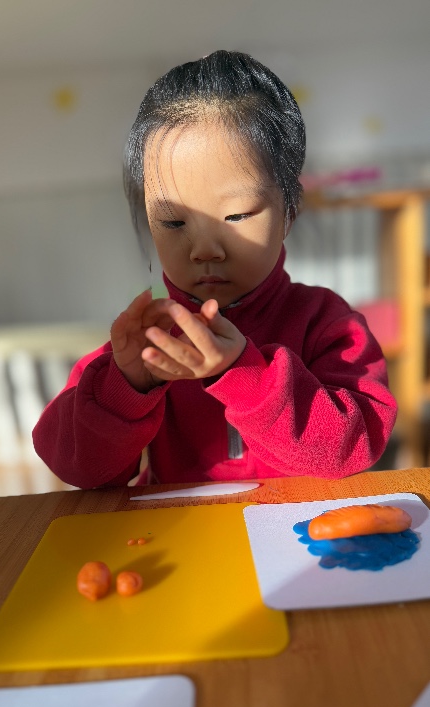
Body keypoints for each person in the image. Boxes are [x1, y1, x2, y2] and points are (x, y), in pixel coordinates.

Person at [33, 50, 397, 489]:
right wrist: (126, 388)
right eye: (173, 222)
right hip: (176, 529)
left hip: (300, 530)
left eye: (237, 215)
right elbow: (77, 469)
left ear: (289, 213)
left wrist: (244, 375)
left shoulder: (327, 324)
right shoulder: (149, 343)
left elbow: (355, 445)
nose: (205, 249)